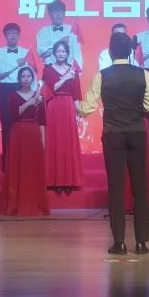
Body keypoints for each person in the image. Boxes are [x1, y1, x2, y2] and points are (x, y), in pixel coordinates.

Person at [80, 33, 149, 255]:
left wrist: (79, 109)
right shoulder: (143, 74)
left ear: (110, 52)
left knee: (116, 188)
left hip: (113, 134)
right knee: (140, 187)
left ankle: (119, 242)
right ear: (131, 51)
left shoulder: (102, 75)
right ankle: (141, 242)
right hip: (137, 132)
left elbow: (87, 108)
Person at [1, 67, 49, 217]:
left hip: (33, 133)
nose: (26, 79)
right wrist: (29, 103)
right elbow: (13, 115)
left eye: (29, 76)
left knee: (32, 169)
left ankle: (35, 203)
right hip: (18, 133)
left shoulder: (38, 96)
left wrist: (43, 139)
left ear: (32, 79)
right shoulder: (12, 96)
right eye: (23, 76)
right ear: (19, 79)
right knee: (17, 168)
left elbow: (42, 120)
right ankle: (16, 204)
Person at [41, 40, 84, 193]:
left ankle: (69, 181)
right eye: (58, 51)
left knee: (68, 142)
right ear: (54, 53)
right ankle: (55, 180)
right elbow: (50, 89)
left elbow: (77, 94)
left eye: (63, 51)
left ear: (67, 54)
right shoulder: (48, 69)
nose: (61, 54)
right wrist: (65, 78)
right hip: (53, 106)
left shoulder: (73, 71)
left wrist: (79, 113)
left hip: (68, 107)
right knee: (55, 141)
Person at [0, 23, 33, 171]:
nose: (13, 35)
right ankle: (8, 164)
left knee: (24, 126)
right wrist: (17, 64)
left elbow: (31, 74)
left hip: (23, 90)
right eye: (9, 33)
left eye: (15, 33)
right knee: (8, 126)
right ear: (5, 36)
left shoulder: (26, 52)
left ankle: (24, 162)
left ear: (19, 35)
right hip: (6, 91)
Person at [36, 0, 83, 67]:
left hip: (69, 69)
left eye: (61, 12)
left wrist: (78, 70)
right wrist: (60, 42)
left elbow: (77, 53)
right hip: (49, 69)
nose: (58, 15)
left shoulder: (71, 30)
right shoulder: (43, 32)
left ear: (64, 14)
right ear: (50, 14)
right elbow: (41, 53)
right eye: (55, 12)